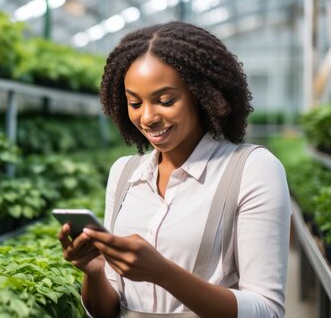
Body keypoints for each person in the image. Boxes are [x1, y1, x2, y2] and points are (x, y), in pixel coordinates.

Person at [58, 21, 291, 318]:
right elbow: (109, 309)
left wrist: (164, 273)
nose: (148, 117)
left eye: (165, 100)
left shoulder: (252, 169)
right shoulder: (125, 173)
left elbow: (267, 310)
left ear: (202, 94)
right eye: (134, 102)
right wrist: (94, 272)